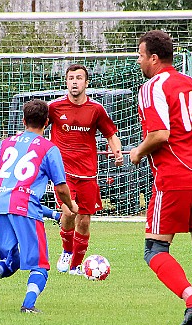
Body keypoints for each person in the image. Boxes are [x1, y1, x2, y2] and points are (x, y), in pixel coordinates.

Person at [130, 30, 192, 325]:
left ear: (153, 58)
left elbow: (160, 134)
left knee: (155, 249)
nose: (139, 61)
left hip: (175, 178)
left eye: (140, 56)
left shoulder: (152, 87)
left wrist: (137, 152)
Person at [0, 99, 78, 313]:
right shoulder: (49, 149)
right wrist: (71, 206)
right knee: (40, 265)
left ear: (23, 121)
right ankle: (28, 306)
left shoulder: (5, 143)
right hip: (24, 206)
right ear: (47, 123)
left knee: (12, 261)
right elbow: (60, 187)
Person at [48, 64, 123, 275]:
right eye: (71, 78)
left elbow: (110, 133)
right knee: (68, 211)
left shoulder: (96, 109)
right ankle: (65, 251)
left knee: (84, 219)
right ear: (66, 81)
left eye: (78, 78)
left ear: (86, 83)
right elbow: (37, 127)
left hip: (88, 173)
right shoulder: (54, 108)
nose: (74, 81)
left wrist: (117, 152)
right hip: (63, 173)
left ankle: (75, 265)